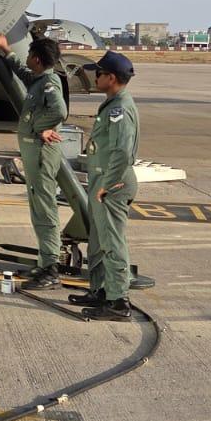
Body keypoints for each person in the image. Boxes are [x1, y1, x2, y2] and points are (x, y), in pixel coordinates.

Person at [0, 33, 68, 288]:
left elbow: (59, 111)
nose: (27, 59)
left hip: (42, 156)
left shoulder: (49, 84)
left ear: (36, 59)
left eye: (28, 56)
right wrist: (6, 51)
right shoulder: (39, 79)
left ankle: (51, 268)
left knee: (45, 210)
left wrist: (39, 129)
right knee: (39, 209)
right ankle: (46, 262)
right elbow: (24, 74)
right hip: (35, 156)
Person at [71, 50, 140, 321]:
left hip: (113, 183)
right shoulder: (112, 104)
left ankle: (118, 301)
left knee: (112, 243)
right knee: (98, 243)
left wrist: (107, 185)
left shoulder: (121, 109)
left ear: (111, 78)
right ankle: (100, 290)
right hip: (103, 180)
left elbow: (123, 153)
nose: (94, 77)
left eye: (98, 73)